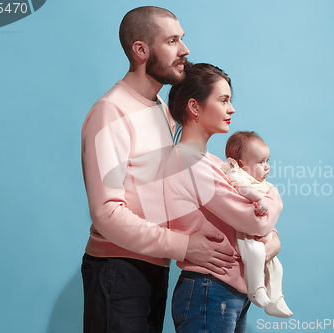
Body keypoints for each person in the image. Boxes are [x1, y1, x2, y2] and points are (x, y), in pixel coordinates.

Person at [80, 7, 235, 333]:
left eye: (183, 39)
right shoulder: (110, 112)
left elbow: (169, 189)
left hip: (154, 265)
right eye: (172, 40)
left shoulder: (160, 108)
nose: (185, 50)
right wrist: (184, 246)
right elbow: (107, 214)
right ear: (141, 50)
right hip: (118, 269)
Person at [164, 63, 283, 332]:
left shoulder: (214, 163)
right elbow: (255, 221)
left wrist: (272, 237)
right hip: (210, 290)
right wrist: (275, 198)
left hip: (225, 290)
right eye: (223, 100)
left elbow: (259, 222)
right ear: (194, 107)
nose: (232, 109)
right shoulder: (190, 163)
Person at [222, 131, 293, 318]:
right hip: (244, 234)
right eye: (260, 162)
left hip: (261, 231)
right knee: (256, 253)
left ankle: (276, 299)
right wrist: (259, 198)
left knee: (277, 268)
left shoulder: (260, 181)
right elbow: (241, 188)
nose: (267, 166)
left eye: (267, 161)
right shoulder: (236, 174)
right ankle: (255, 288)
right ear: (240, 164)